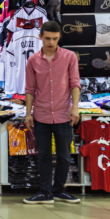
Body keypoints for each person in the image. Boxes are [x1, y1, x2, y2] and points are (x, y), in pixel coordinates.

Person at [23, 21, 82, 205]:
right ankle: (45, 191)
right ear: (40, 37)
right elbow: (30, 89)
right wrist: (28, 113)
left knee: (64, 155)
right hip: (41, 114)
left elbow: (75, 83)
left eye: (55, 39)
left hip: (63, 113)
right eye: (47, 38)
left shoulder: (69, 57)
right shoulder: (33, 60)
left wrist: (75, 107)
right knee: (43, 155)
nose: (51, 42)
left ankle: (59, 190)